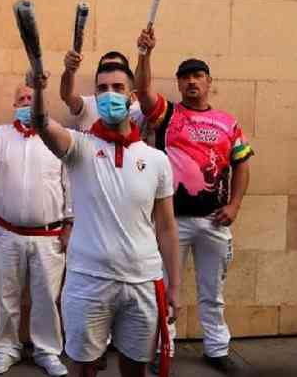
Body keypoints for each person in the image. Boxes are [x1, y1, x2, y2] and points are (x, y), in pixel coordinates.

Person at [31, 57, 181, 377]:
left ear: (132, 96)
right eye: (102, 89)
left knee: (135, 369)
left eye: (118, 88)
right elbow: (42, 123)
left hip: (142, 281)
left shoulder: (156, 160)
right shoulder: (79, 147)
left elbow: (167, 228)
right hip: (88, 281)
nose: (109, 94)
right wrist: (41, 91)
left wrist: (175, 286)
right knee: (83, 368)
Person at [135, 29, 254, 375]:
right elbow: (142, 92)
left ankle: (216, 349)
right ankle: (163, 347)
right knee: (164, 287)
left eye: (197, 76)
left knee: (212, 290)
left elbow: (242, 164)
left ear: (208, 82)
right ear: (179, 82)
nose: (191, 82)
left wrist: (234, 206)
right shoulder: (167, 115)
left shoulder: (227, 122)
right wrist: (145, 53)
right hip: (171, 220)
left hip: (215, 222)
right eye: (185, 76)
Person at [0, 82, 72, 376]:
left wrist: (70, 225)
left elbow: (69, 184)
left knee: (47, 299)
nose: (26, 102)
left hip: (49, 235)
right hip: (7, 233)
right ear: (14, 105)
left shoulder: (58, 136)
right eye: (21, 99)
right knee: (7, 296)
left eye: (31, 98)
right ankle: (6, 348)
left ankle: (47, 351)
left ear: (41, 102)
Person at [60, 51, 140, 131]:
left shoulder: (137, 111)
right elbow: (68, 95)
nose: (110, 92)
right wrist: (69, 71)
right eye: (105, 67)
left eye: (117, 67)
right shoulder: (88, 105)